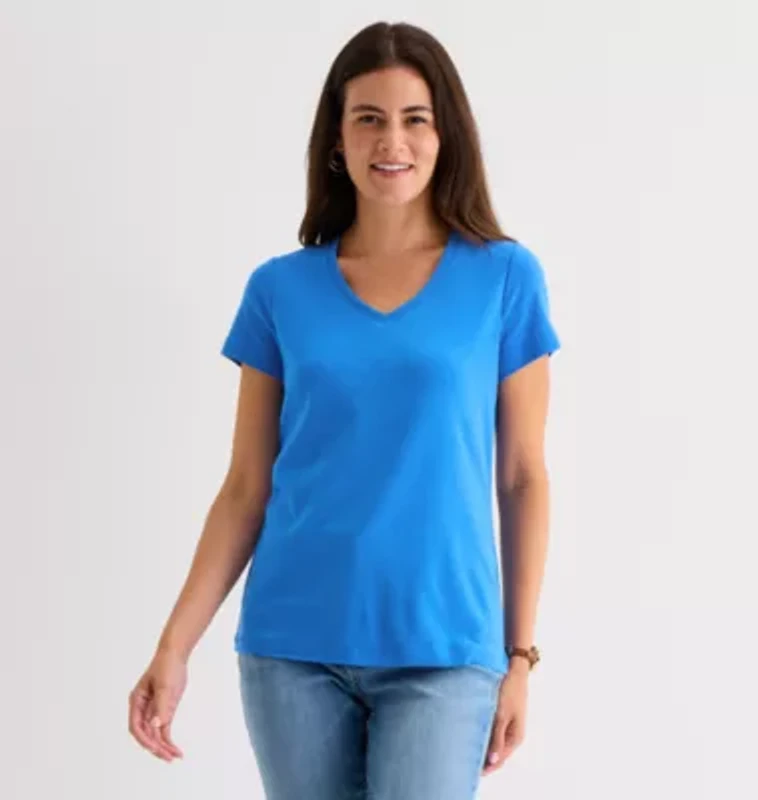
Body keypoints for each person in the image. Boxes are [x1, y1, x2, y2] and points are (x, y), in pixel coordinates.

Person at [128, 19, 561, 800]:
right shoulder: (279, 290)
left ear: (446, 135)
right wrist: (174, 646)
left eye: (415, 119)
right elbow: (245, 487)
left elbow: (523, 477)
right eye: (369, 118)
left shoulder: (504, 278)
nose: (392, 141)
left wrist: (520, 657)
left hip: (445, 650)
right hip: (292, 648)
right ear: (337, 138)